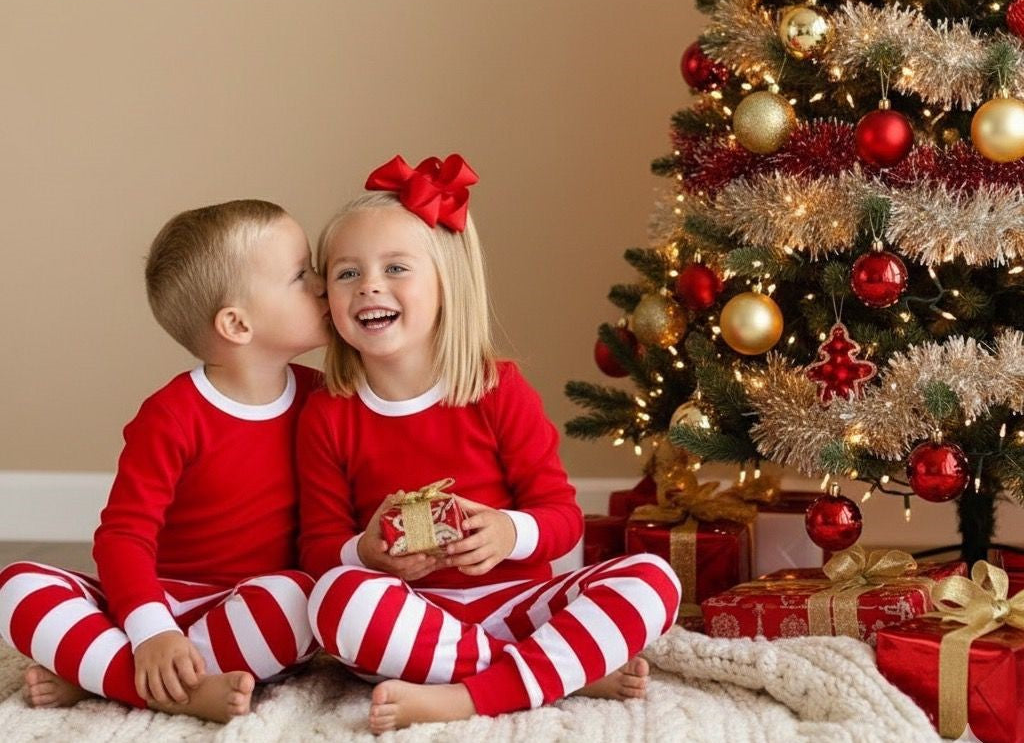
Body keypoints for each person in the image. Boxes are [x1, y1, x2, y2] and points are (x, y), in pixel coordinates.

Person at [298, 155, 682, 734]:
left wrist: (509, 533)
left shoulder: (496, 389)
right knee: (334, 600)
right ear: (327, 298)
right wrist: (366, 553)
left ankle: (470, 696)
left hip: (519, 605)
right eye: (346, 273)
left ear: (447, 286)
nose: (369, 285)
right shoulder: (328, 413)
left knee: (655, 579)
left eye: (396, 267)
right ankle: (555, 670)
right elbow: (318, 549)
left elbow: (561, 518)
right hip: (416, 622)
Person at [0, 199, 330, 723]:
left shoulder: (324, 399)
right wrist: (152, 630)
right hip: (158, 599)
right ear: (237, 324)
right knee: (17, 586)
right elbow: (124, 536)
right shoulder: (172, 415)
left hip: (249, 606)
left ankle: (108, 678)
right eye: (300, 274)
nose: (322, 283)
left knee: (303, 597)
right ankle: (160, 680)